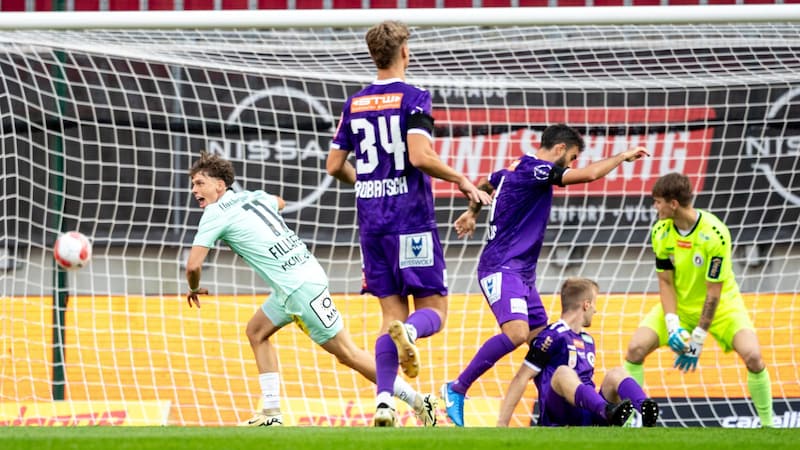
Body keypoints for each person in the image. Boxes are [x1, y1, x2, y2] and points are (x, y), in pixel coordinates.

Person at [185, 151, 437, 427]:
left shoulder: (214, 214)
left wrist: (194, 288)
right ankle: (271, 413)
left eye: (200, 183)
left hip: (298, 289)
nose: (194, 190)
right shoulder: (254, 196)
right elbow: (279, 202)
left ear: (220, 185)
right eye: (193, 184)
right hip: (298, 277)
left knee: (348, 354)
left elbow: (193, 266)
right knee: (256, 331)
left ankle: (418, 401)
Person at [326, 20, 492, 427]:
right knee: (433, 310)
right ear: (405, 52)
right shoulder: (415, 98)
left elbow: (334, 166)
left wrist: (367, 183)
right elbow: (419, 156)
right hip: (409, 219)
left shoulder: (356, 102)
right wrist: (462, 179)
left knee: (389, 317)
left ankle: (384, 401)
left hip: (371, 222)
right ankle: (412, 335)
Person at [441, 123, 649, 426]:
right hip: (501, 267)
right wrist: (622, 156)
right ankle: (456, 389)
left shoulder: (515, 166)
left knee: (544, 345)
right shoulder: (537, 169)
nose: (573, 163)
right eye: (573, 157)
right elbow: (588, 175)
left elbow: (487, 183)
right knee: (516, 333)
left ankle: (552, 419)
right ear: (560, 149)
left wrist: (473, 212)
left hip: (523, 274)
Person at [623, 172, 774, 427]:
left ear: (673, 203)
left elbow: (714, 292)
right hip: (680, 305)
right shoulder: (660, 231)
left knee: (754, 356)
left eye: (658, 202)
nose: (655, 207)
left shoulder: (715, 233)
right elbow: (665, 281)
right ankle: (628, 425)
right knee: (635, 349)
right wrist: (673, 324)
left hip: (723, 306)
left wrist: (698, 339)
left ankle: (769, 426)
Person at [497, 277, 659, 427]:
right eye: (594, 304)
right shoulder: (551, 336)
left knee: (617, 373)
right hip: (559, 415)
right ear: (586, 304)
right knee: (563, 372)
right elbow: (522, 376)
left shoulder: (588, 340)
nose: (595, 311)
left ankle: (645, 408)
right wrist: (502, 423)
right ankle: (607, 410)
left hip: (588, 413)